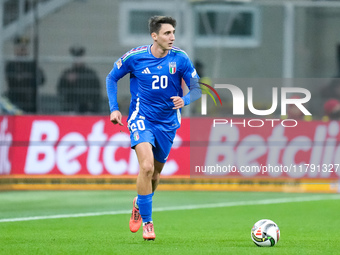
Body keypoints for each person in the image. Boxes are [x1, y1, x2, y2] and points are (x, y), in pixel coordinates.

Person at [106, 16, 201, 241]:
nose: (172, 37)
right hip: (142, 118)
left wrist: (185, 100)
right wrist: (114, 108)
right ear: (154, 36)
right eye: (167, 33)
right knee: (146, 167)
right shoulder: (135, 57)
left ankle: (139, 203)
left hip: (168, 123)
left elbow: (197, 88)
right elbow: (112, 77)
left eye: (173, 32)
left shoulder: (180, 58)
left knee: (156, 174)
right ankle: (148, 223)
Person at [5, 35, 45, 113]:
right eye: (20, 48)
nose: (22, 50)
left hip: (30, 102)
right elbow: (12, 81)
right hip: (15, 100)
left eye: (24, 48)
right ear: (15, 50)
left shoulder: (32, 65)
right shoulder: (11, 65)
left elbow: (42, 79)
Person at [57, 45, 101, 113]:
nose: (77, 61)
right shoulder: (67, 73)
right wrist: (67, 82)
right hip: (71, 108)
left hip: (88, 109)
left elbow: (96, 91)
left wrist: (92, 105)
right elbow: (60, 90)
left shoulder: (90, 74)